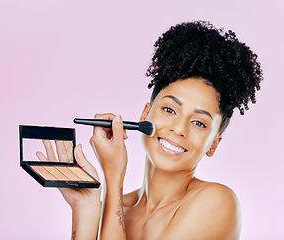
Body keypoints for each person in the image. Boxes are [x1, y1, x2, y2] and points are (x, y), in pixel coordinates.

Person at [39, 21, 262, 239]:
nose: (178, 128)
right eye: (169, 109)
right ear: (145, 115)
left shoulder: (216, 203)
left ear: (213, 143)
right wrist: (85, 207)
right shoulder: (110, 208)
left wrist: (114, 175)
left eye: (199, 123)